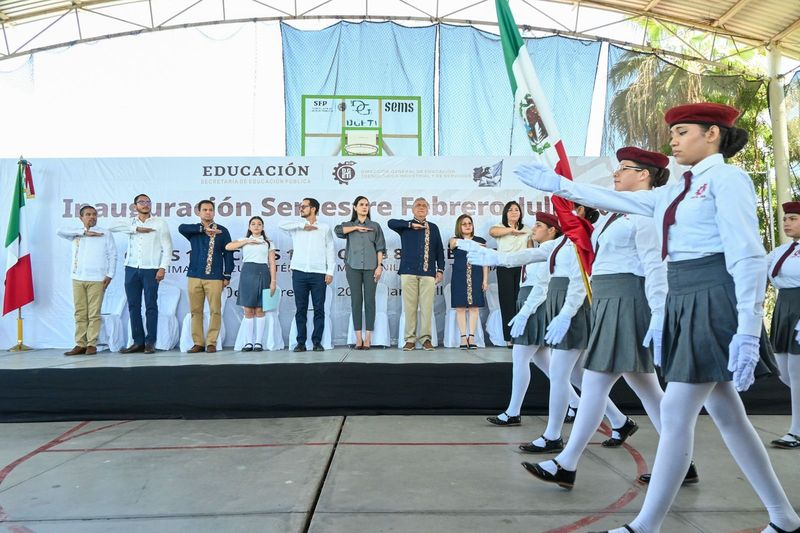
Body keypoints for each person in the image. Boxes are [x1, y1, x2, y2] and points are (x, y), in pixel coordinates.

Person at [515, 102, 799, 533]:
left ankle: (647, 524)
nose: (674, 139)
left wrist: (745, 326)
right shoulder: (677, 186)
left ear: (713, 135)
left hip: (713, 295)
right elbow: (614, 198)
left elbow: (747, 255)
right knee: (728, 416)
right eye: (674, 132)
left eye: (683, 131)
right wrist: (559, 184)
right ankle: (783, 517)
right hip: (687, 296)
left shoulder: (727, 178)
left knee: (679, 414)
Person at [523, 147, 686, 490]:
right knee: (649, 392)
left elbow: (655, 266)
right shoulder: (617, 212)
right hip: (610, 300)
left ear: (644, 175)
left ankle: (566, 463)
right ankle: (683, 463)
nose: (616, 173)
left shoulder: (645, 212)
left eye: (625, 168)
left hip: (628, 300)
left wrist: (658, 312)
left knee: (597, 384)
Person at [466, 205, 630, 451]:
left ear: (581, 214)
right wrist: (496, 257)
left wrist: (565, 314)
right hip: (560, 305)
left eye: (571, 209)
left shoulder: (580, 241)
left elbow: (579, 281)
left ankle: (553, 435)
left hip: (571, 308)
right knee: (576, 377)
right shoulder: (562, 243)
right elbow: (530, 257)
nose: (564, 212)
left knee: (561, 375)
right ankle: (619, 420)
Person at [485, 212, 579, 425]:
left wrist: (526, 311)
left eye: (538, 225)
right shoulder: (540, 251)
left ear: (552, 230)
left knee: (520, 358)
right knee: (545, 364)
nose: (533, 229)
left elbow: (542, 286)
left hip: (535, 306)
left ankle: (513, 411)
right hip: (527, 300)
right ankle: (576, 403)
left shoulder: (553, 252)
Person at [111, 193, 172, 354]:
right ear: (135, 206)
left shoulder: (160, 223)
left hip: (151, 269)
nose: (145, 204)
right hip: (131, 268)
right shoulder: (130, 222)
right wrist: (135, 229)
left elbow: (167, 247)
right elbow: (111, 227)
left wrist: (162, 267)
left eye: (148, 202)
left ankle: (150, 341)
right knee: (133, 306)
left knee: (151, 305)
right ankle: (138, 342)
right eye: (141, 202)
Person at [58, 205, 116, 356]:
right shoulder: (76, 233)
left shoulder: (104, 233)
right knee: (80, 312)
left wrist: (110, 274)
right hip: (77, 278)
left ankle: (91, 344)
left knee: (94, 313)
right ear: (81, 217)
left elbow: (112, 255)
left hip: (97, 279)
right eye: (88, 214)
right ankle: (80, 344)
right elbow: (59, 231)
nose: (92, 217)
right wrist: (84, 232)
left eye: (94, 214)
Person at [389, 198, 445, 351]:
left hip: (428, 273)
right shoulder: (405, 226)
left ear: (428, 210)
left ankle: (426, 339)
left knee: (427, 307)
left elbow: (439, 250)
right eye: (418, 205)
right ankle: (410, 339)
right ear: (413, 209)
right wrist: (410, 225)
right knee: (410, 307)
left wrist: (440, 269)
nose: (421, 208)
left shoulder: (433, 227)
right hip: (408, 272)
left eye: (424, 206)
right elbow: (390, 222)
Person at [280, 197, 335, 352]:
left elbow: (330, 250)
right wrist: (302, 225)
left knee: (319, 309)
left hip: (319, 273)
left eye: (304, 206)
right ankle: (301, 343)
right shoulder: (296, 227)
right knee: (301, 309)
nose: (301, 208)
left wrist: (329, 271)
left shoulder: (324, 227)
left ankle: (317, 342)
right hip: (299, 272)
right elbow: (280, 224)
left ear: (314, 209)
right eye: (300, 206)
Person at [178, 200, 233, 354]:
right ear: (199, 212)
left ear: (214, 212)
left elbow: (228, 254)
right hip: (194, 275)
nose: (208, 212)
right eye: (204, 210)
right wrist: (203, 229)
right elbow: (181, 228)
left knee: (215, 310)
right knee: (195, 311)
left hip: (215, 276)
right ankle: (198, 343)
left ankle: (211, 342)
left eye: (210, 210)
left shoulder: (222, 231)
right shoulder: (194, 231)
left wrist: (227, 274)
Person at [767, 200, 800, 450]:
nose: (787, 222)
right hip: (784, 309)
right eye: (786, 218)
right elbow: (758, 270)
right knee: (784, 373)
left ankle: (796, 431)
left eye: (793, 218)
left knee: (797, 375)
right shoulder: (780, 251)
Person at [335, 196, 386, 350]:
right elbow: (338, 230)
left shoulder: (375, 226)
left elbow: (380, 248)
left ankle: (368, 338)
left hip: (371, 267)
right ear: (355, 207)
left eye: (367, 205)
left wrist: (379, 266)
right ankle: (358, 339)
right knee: (356, 301)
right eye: (361, 205)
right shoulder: (349, 225)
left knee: (370, 301)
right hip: (353, 267)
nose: (365, 207)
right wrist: (356, 228)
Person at [226, 216, 277, 352]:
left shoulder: (268, 242)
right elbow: (228, 246)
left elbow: (272, 263)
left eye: (259, 224)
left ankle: (258, 342)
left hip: (263, 272)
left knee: (260, 309)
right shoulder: (244, 240)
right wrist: (248, 241)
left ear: (263, 227)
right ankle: (249, 342)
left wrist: (273, 281)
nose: (256, 226)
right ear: (249, 227)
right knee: (248, 309)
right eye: (253, 224)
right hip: (247, 272)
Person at [489, 201, 531, 347]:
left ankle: (521, 335)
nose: (514, 212)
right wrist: (511, 231)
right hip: (505, 268)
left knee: (521, 301)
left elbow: (531, 249)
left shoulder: (527, 229)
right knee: (507, 303)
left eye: (517, 210)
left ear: (520, 213)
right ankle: (509, 338)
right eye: (510, 210)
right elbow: (492, 232)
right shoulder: (500, 227)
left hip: (521, 268)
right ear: (505, 213)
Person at [448, 214, 488, 349]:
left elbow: (485, 262)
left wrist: (485, 280)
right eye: (464, 224)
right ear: (459, 226)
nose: (467, 226)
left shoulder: (481, 239)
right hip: (459, 276)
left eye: (469, 223)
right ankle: (463, 338)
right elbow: (454, 245)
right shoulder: (454, 240)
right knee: (460, 308)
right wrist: (475, 245)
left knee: (474, 307)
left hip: (476, 275)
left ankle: (472, 337)